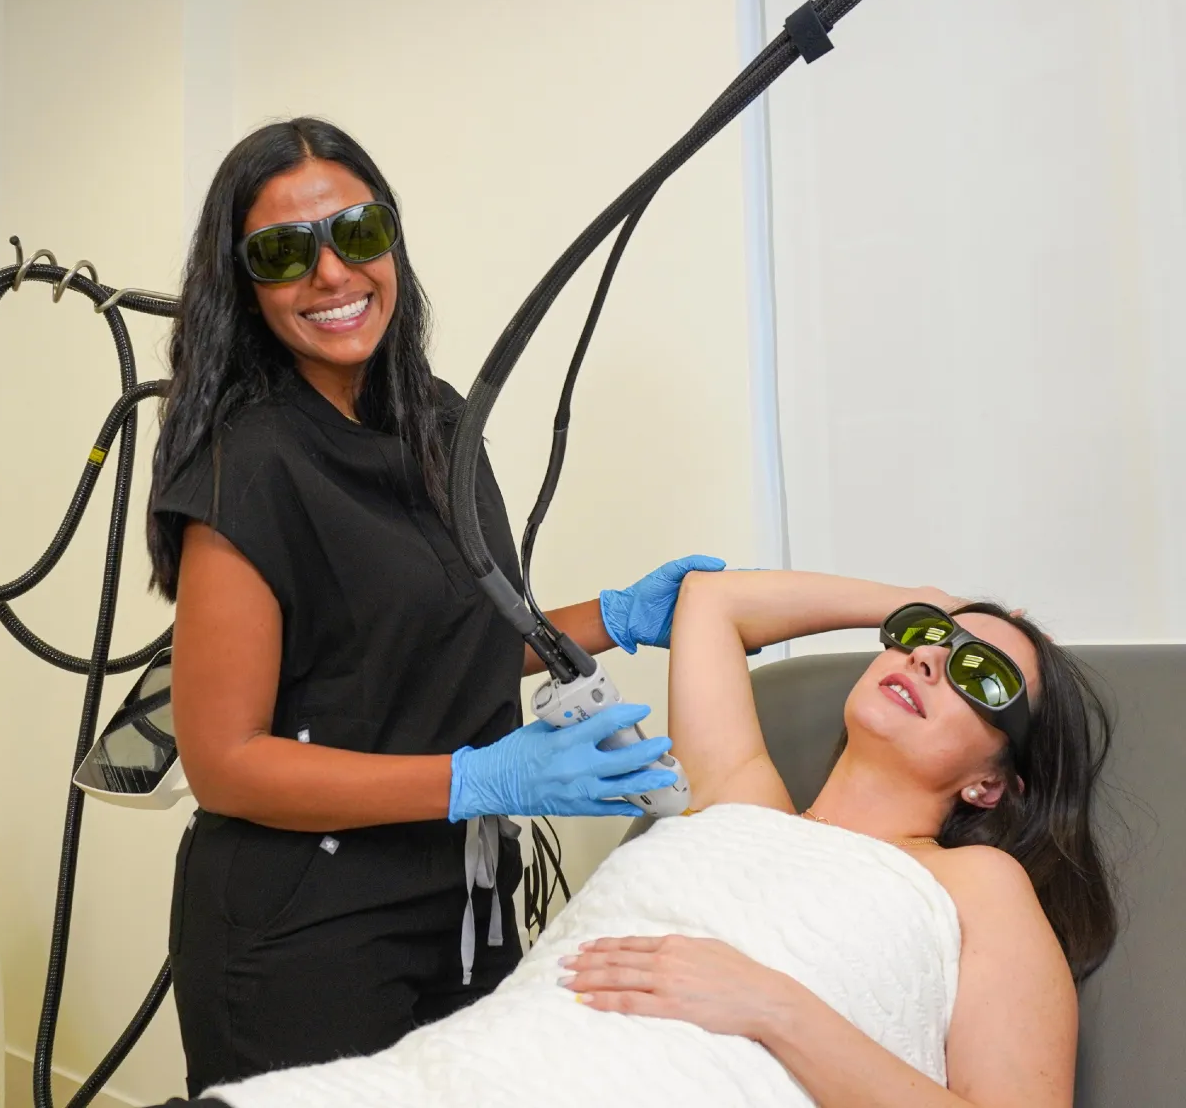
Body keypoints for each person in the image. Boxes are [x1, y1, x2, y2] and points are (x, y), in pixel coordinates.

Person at [146, 116, 724, 1095]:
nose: (332, 273)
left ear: (393, 242)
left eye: (358, 232)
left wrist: (617, 616)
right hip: (306, 935)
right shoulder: (247, 469)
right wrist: (476, 779)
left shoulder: (439, 420)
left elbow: (452, 643)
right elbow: (225, 761)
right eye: (285, 252)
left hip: (461, 907)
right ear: (243, 287)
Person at [154, 569, 1117, 1108]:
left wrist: (774, 1005)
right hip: (471, 1073)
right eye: (924, 639)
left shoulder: (977, 883)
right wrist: (926, 602)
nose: (933, 659)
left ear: (993, 781)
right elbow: (712, 602)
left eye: (982, 676)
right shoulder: (738, 798)